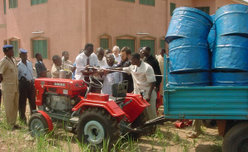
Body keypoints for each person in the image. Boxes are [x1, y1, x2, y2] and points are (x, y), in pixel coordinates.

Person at [122, 53, 157, 120]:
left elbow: (153, 82)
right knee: (141, 114)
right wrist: (108, 70)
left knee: (151, 113)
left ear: (136, 60)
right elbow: (122, 69)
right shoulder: (132, 67)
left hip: (148, 93)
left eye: (131, 59)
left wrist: (149, 95)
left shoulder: (147, 68)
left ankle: (153, 128)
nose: (130, 61)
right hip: (138, 94)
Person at [0, 45, 20, 130]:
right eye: (11, 51)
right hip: (8, 87)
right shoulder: (4, 61)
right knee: (9, 106)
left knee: (15, 105)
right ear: (6, 52)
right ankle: (9, 125)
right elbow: (0, 74)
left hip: (15, 86)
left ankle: (13, 122)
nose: (13, 52)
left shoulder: (13, 60)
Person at [17, 49, 36, 124]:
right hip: (23, 85)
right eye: (23, 55)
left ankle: (34, 117)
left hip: (30, 84)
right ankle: (22, 119)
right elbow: (17, 77)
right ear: (20, 56)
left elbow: (32, 74)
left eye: (26, 54)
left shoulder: (29, 63)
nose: (25, 56)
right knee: (22, 103)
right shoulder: (18, 66)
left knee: (32, 102)